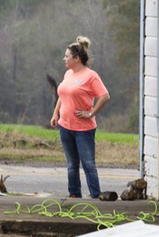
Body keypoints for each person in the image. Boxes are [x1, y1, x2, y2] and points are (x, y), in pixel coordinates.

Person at [50, 37, 110, 199]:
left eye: (67, 56)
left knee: (88, 165)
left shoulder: (91, 76)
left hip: (83, 129)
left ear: (76, 59)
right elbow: (63, 95)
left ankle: (96, 195)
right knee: (71, 165)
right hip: (65, 126)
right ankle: (74, 194)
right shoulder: (68, 73)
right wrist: (56, 113)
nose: (64, 59)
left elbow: (104, 96)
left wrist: (91, 113)